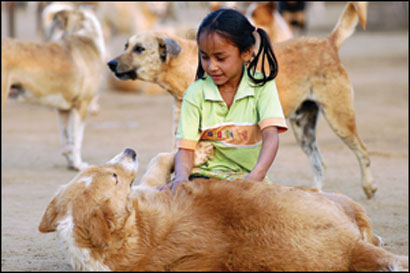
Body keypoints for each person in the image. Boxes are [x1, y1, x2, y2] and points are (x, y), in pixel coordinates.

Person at [160, 8, 288, 191]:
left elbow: (271, 136)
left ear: (246, 53)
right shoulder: (195, 93)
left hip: (250, 178)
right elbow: (186, 149)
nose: (212, 66)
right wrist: (181, 179)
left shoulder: (262, 86)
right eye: (205, 57)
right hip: (204, 179)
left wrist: (256, 177)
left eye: (220, 58)